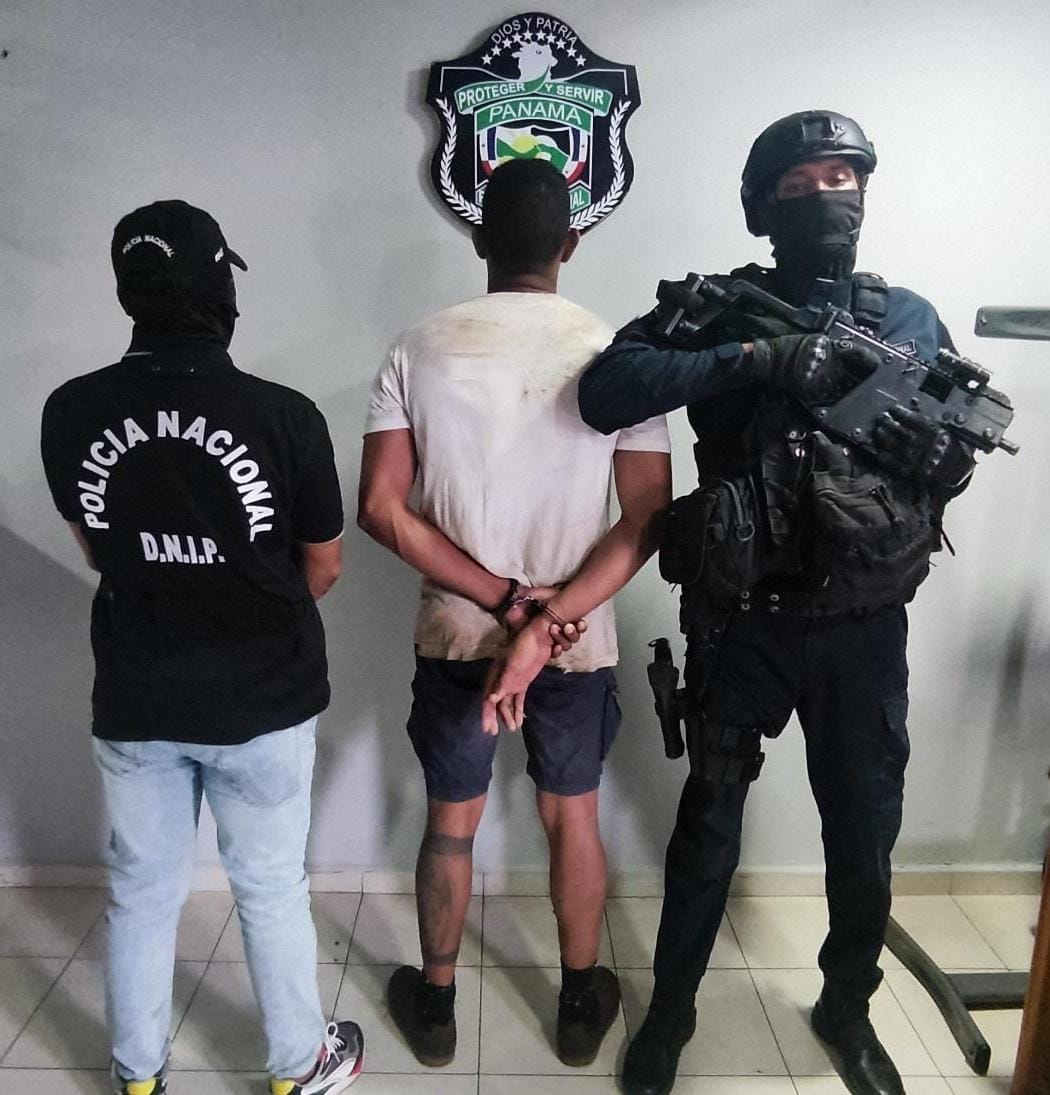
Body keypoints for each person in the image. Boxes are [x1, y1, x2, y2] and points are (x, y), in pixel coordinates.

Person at [577, 111, 976, 1095]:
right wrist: (757, 361)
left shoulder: (908, 320)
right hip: (743, 622)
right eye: (802, 185)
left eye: (842, 178)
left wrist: (943, 457)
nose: (827, 197)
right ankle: (671, 1016)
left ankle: (846, 1009)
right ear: (764, 207)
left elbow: (953, 456)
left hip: (862, 629)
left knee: (863, 833)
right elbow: (606, 389)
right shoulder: (723, 309)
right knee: (708, 827)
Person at [40, 200, 364, 1095]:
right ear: (221, 288)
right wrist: (242, 599)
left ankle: (138, 1075)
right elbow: (325, 566)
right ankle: (298, 1066)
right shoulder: (286, 416)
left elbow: (99, 549)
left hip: (137, 694)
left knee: (140, 891)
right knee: (270, 887)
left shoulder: (70, 410)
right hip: (263, 697)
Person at [357, 159, 671, 1069]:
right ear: (572, 241)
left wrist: (499, 601)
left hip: (458, 630)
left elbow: (380, 509)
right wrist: (547, 618)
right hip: (574, 638)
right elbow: (648, 518)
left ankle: (437, 1006)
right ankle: (577, 1006)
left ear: (477, 239)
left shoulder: (417, 347)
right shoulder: (618, 355)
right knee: (572, 816)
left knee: (450, 820)